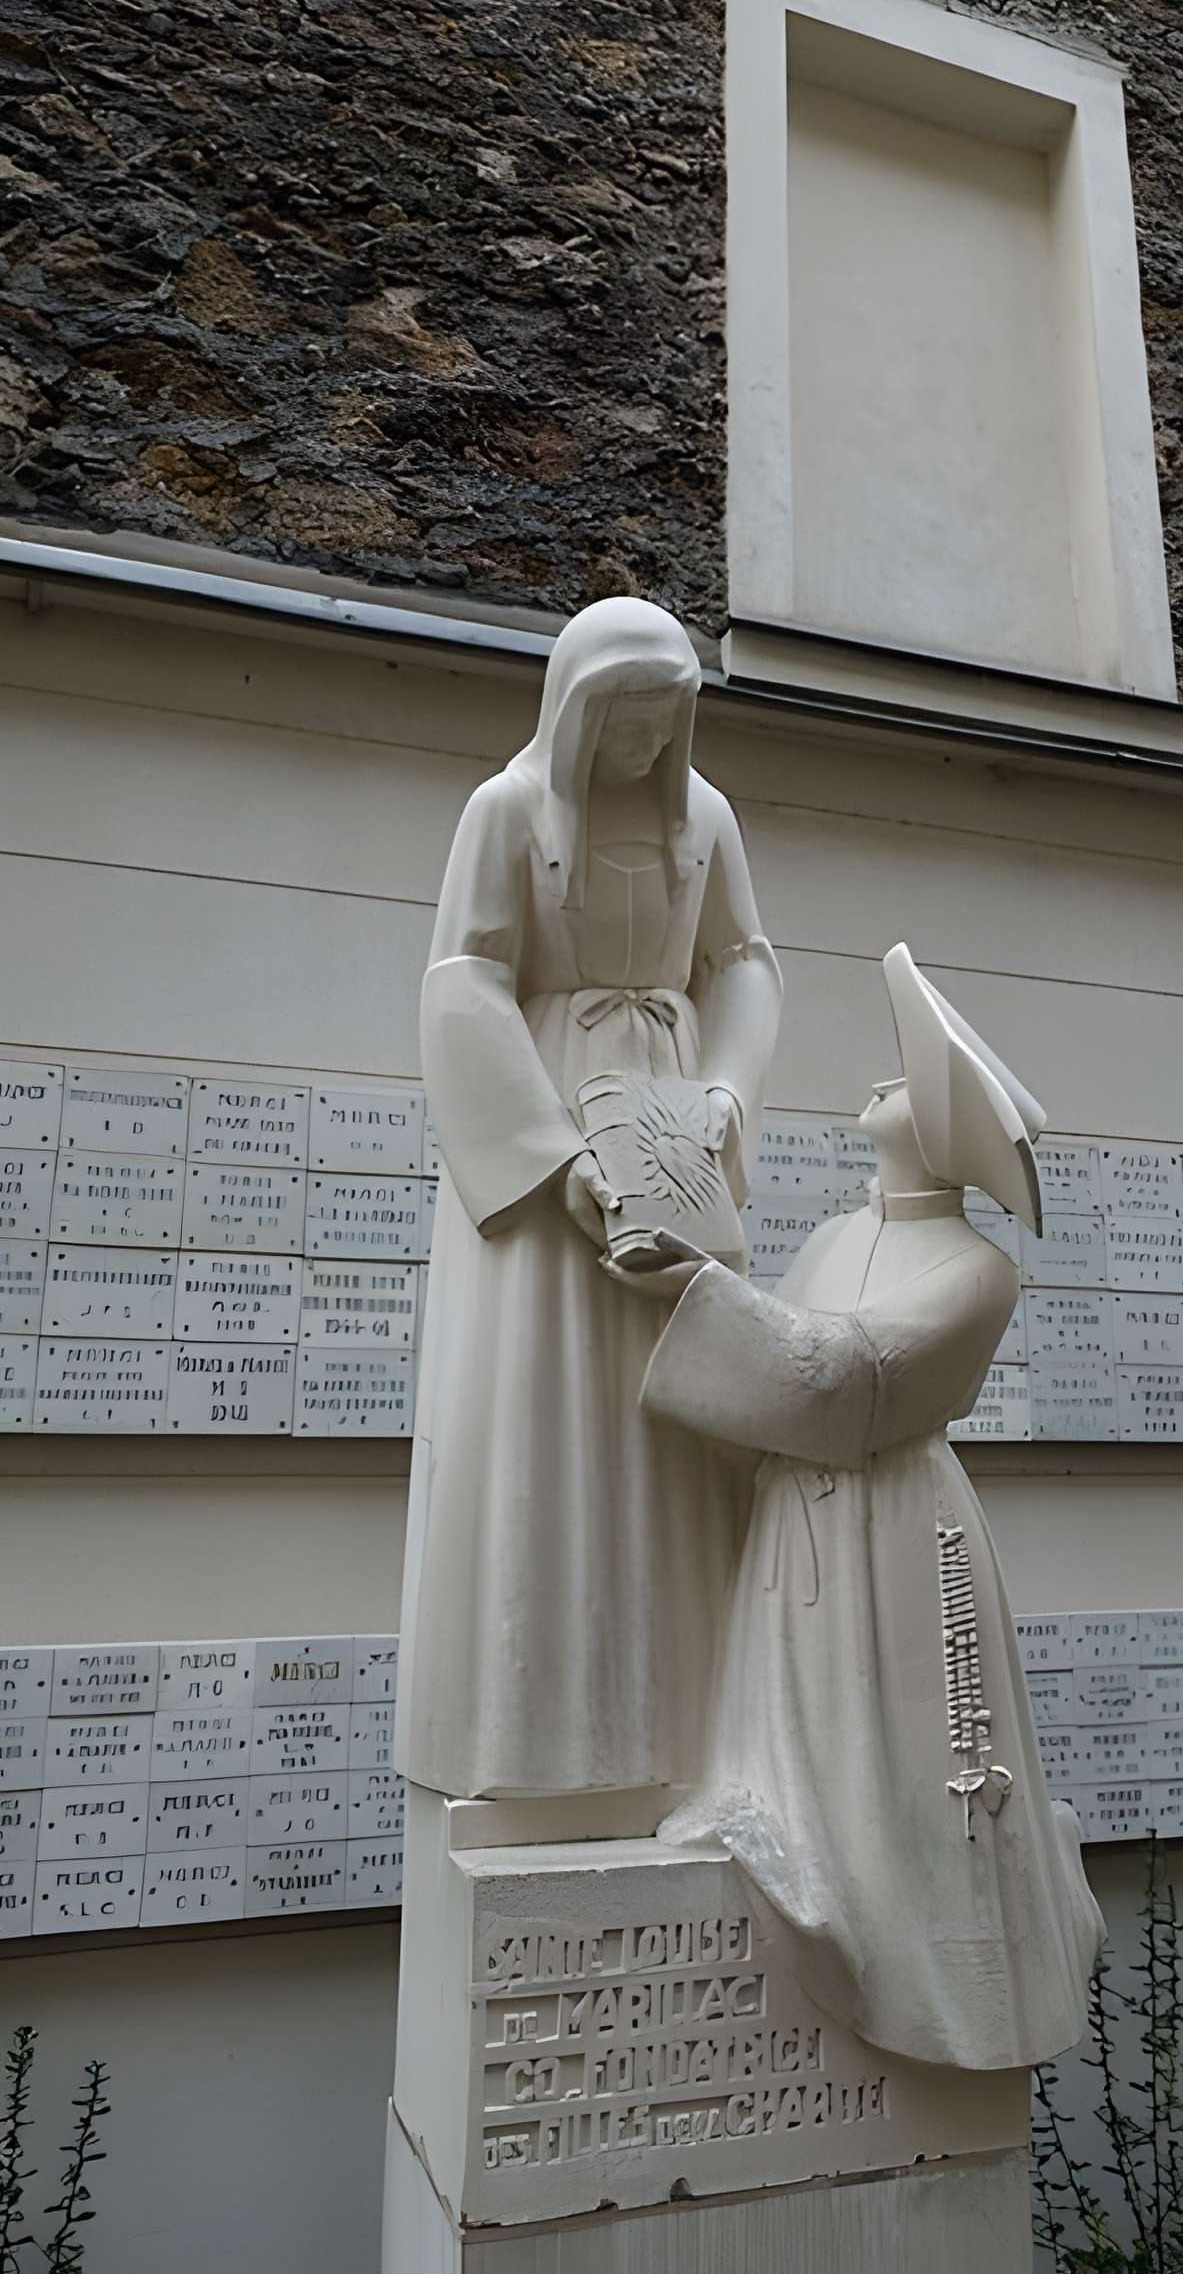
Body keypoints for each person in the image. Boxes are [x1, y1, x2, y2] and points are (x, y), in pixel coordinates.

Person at [606, 945, 1104, 2071]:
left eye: (900, 1079)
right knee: (807, 1710)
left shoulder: (977, 1272)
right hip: (802, 1520)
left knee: (910, 1748)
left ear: (930, 1124)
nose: (878, 1084)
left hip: (897, 1537)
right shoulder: (834, 1234)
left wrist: (696, 1287)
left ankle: (933, 1972)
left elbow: (848, 1378)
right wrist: (687, 1266)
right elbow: (775, 1362)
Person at [395, 598, 782, 1805]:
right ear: (575, 711)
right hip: (554, 1126)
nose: (642, 742)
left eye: (664, 719)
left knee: (680, 1412)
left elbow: (744, 965)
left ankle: (688, 1732)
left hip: (672, 1130)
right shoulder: (506, 812)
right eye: (622, 717)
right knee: (549, 1409)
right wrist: (554, 1160)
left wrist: (724, 1091)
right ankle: (539, 1734)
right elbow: (465, 980)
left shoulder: (705, 818)